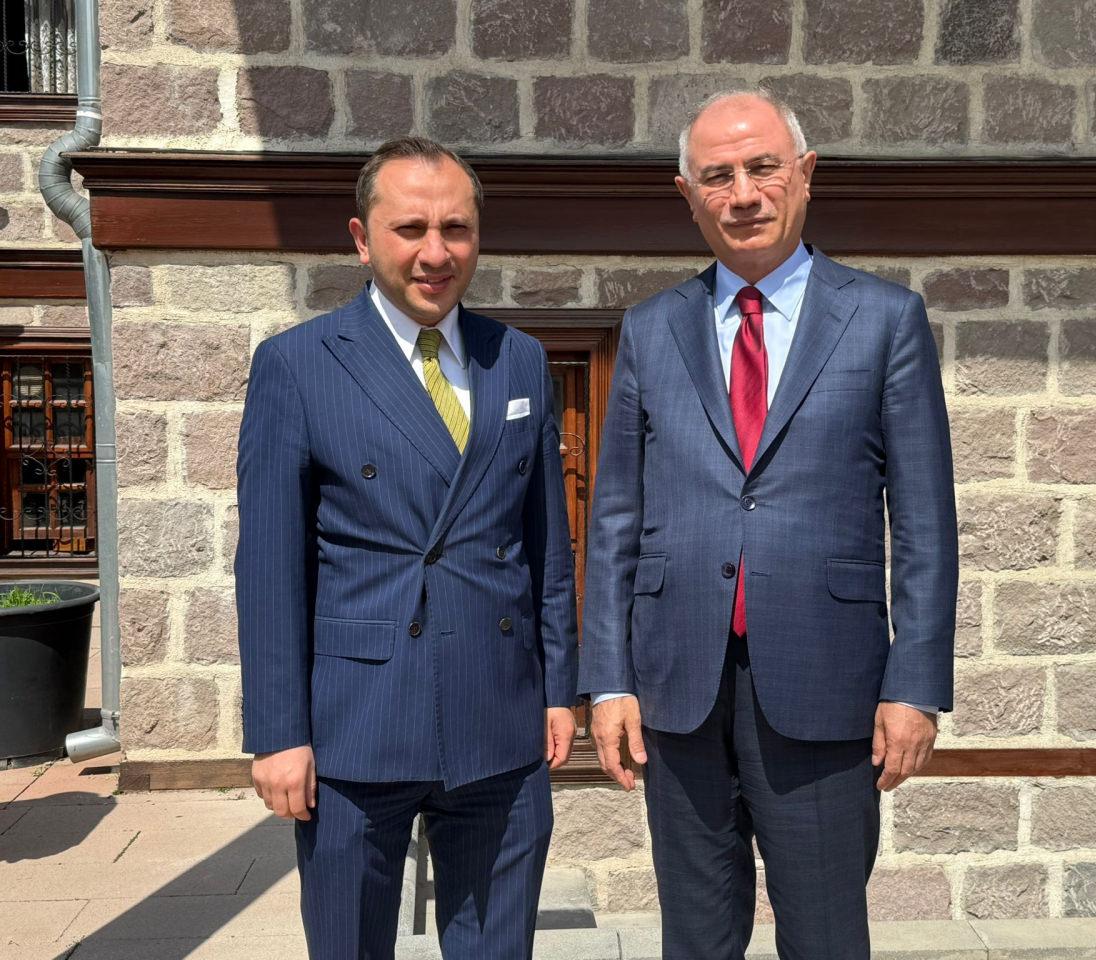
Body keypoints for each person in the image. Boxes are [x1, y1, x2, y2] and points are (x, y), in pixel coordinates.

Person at [580, 90, 958, 960]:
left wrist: (914, 686)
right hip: (679, 689)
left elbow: (925, 525)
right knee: (696, 938)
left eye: (763, 168)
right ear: (688, 195)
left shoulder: (884, 320)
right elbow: (616, 520)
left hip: (826, 689)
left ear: (806, 174)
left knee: (824, 937)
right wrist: (608, 680)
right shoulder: (651, 329)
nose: (744, 194)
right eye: (718, 177)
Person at [235, 136, 578, 960]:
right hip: (357, 724)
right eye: (411, 228)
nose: (435, 253)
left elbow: (544, 543)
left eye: (456, 229)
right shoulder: (299, 365)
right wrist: (278, 733)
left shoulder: (518, 359)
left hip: (498, 716)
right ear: (362, 238)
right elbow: (271, 568)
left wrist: (559, 688)